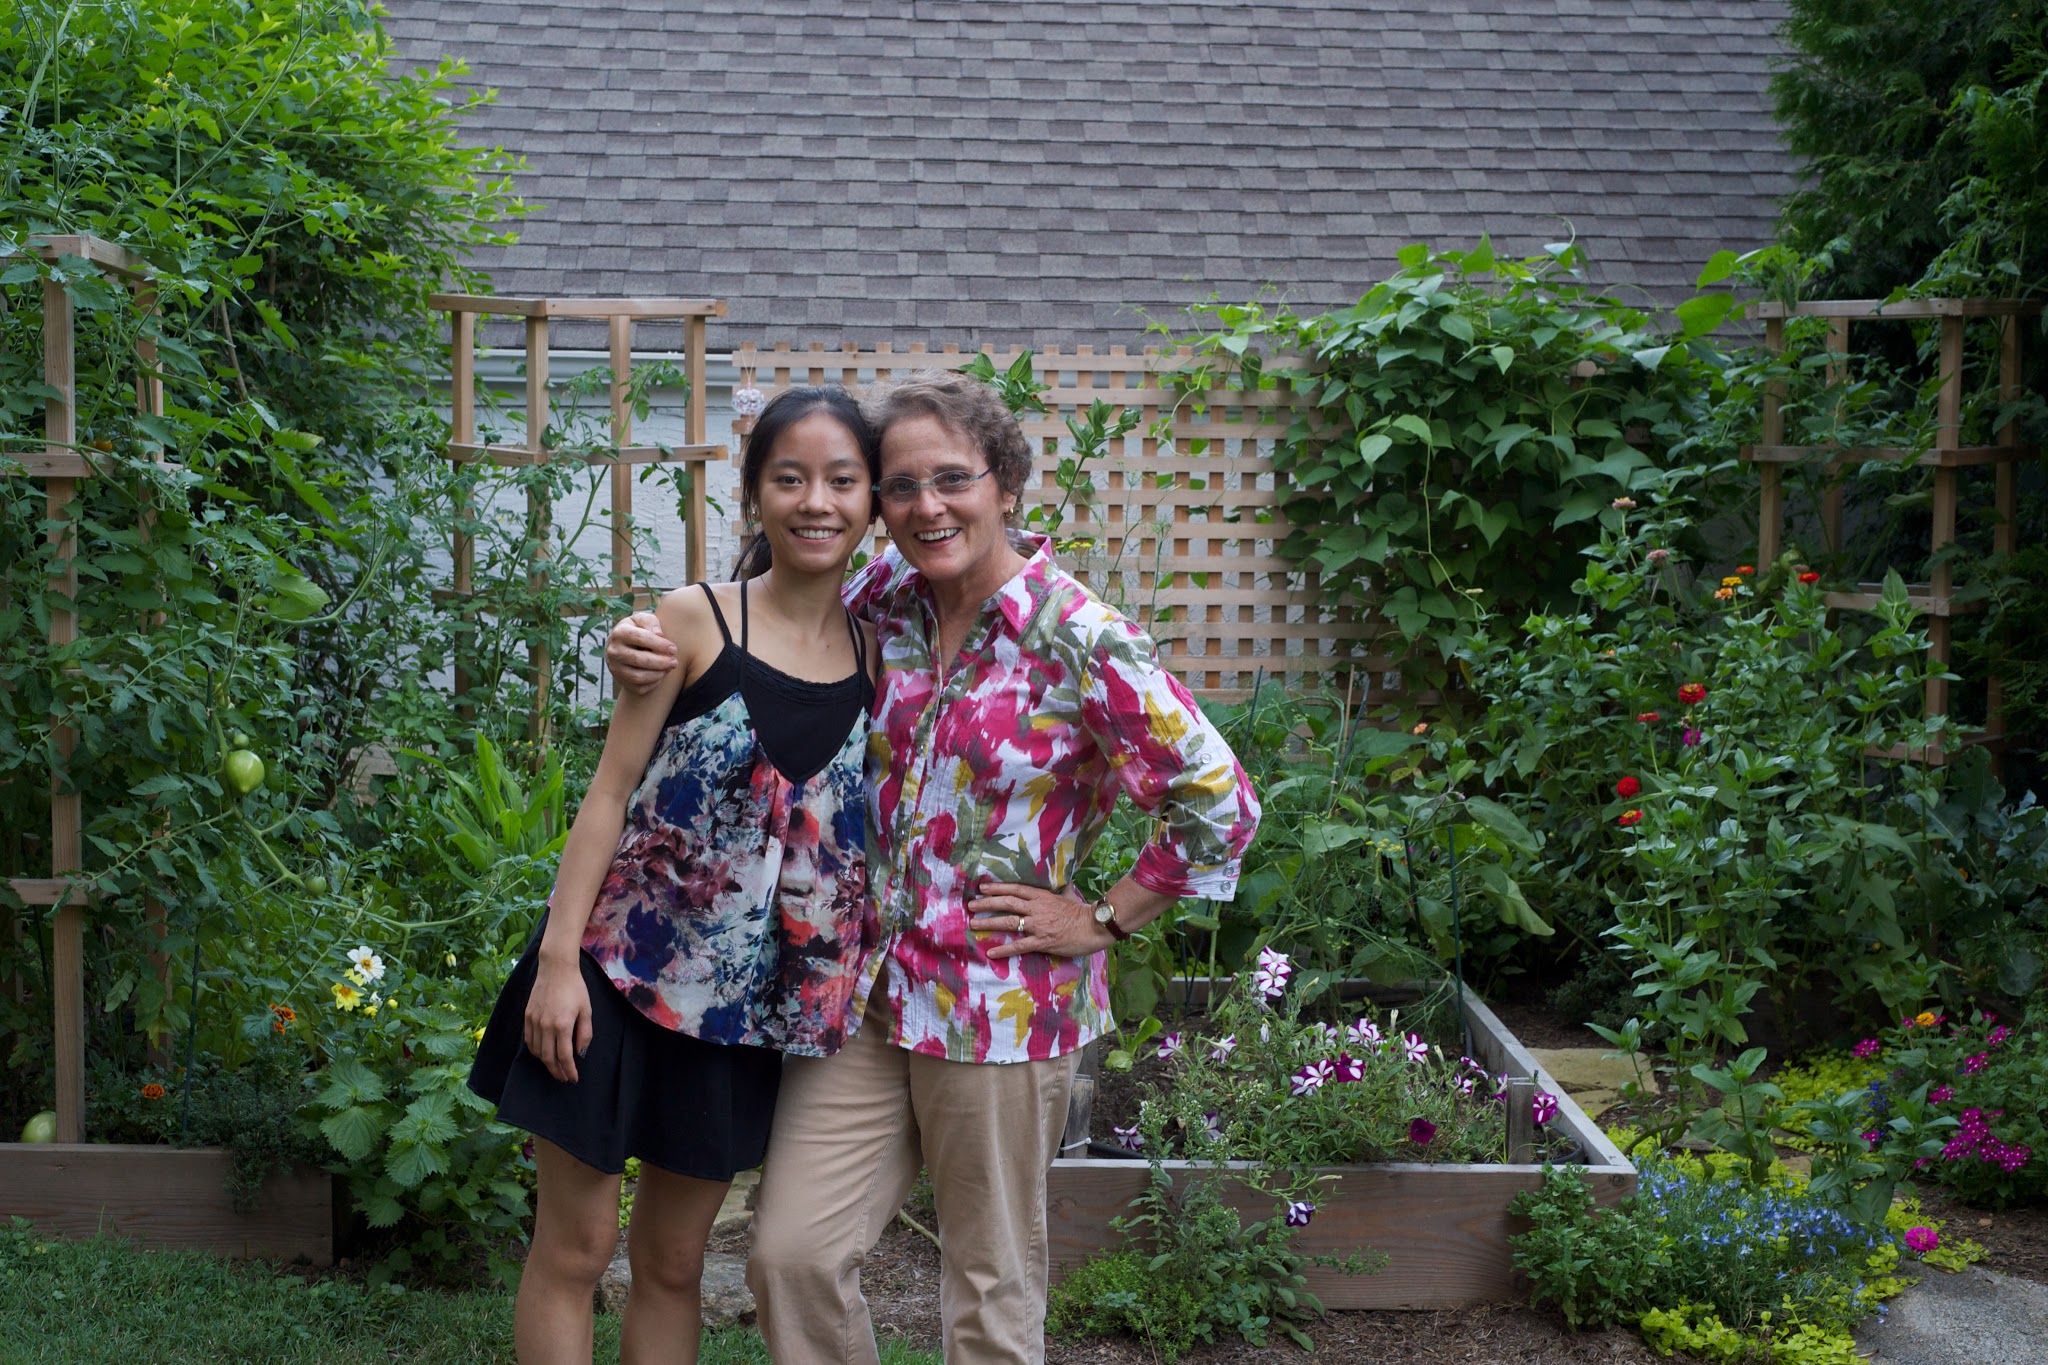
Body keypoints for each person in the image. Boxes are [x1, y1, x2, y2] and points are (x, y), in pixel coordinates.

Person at [604, 370, 1261, 1365]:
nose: (925, 506)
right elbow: (759, 632)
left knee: (989, 1286)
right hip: (863, 997)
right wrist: (646, 645)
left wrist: (1104, 919)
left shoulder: (1080, 639)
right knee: (791, 1256)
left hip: (998, 1007)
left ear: (1004, 483)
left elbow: (1219, 798)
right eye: (901, 486)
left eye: (950, 480)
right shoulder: (882, 602)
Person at [469, 387, 883, 1365]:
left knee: (670, 1262)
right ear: (754, 494)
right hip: (608, 979)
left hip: (736, 1021)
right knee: (574, 1249)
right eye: (789, 477)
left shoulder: (881, 654)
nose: (814, 501)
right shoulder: (689, 622)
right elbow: (608, 795)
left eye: (840, 479)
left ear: (871, 500)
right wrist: (557, 965)